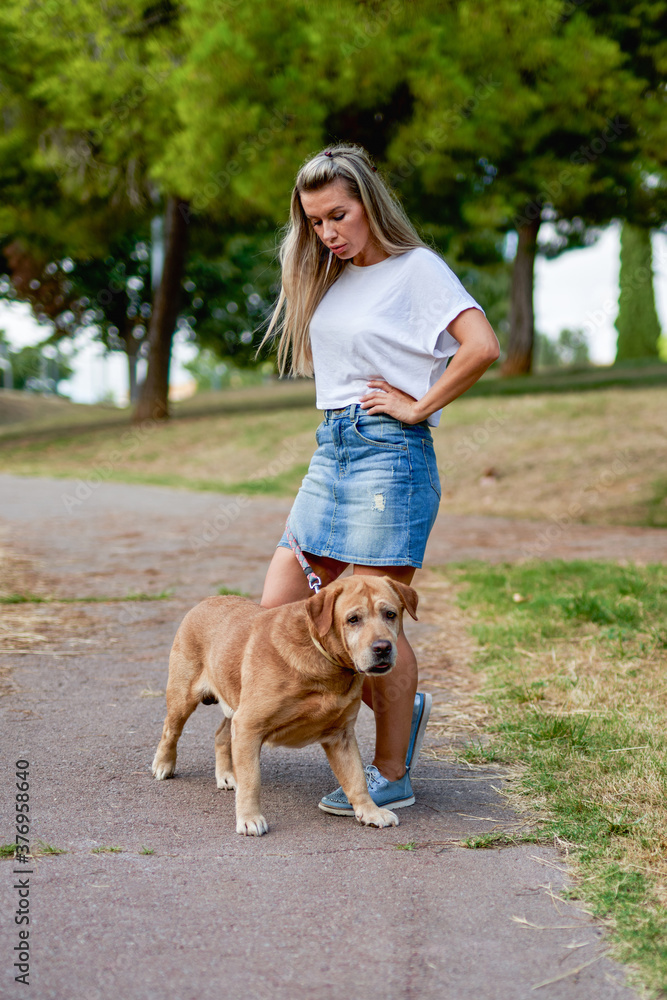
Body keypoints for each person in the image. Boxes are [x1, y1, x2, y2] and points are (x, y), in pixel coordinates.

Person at [259, 142, 499, 816]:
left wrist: (420, 405)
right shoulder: (333, 277)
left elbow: (481, 346)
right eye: (314, 221)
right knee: (279, 610)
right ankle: (331, 717)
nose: (327, 232)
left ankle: (389, 770)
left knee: (371, 628)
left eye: (338, 214)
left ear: (370, 203)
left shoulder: (416, 269)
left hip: (388, 457)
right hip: (331, 450)